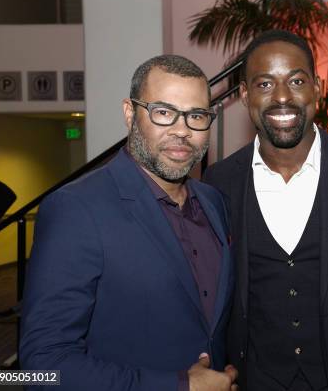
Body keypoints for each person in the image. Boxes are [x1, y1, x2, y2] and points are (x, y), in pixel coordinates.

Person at [20, 55, 238, 391]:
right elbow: (42, 367)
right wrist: (180, 386)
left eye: (196, 116)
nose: (182, 131)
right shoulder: (76, 209)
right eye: (163, 112)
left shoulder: (213, 202)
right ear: (129, 113)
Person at [203, 30, 328, 390]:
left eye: (295, 81)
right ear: (245, 95)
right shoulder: (217, 184)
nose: (281, 97)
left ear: (316, 88)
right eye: (264, 84)